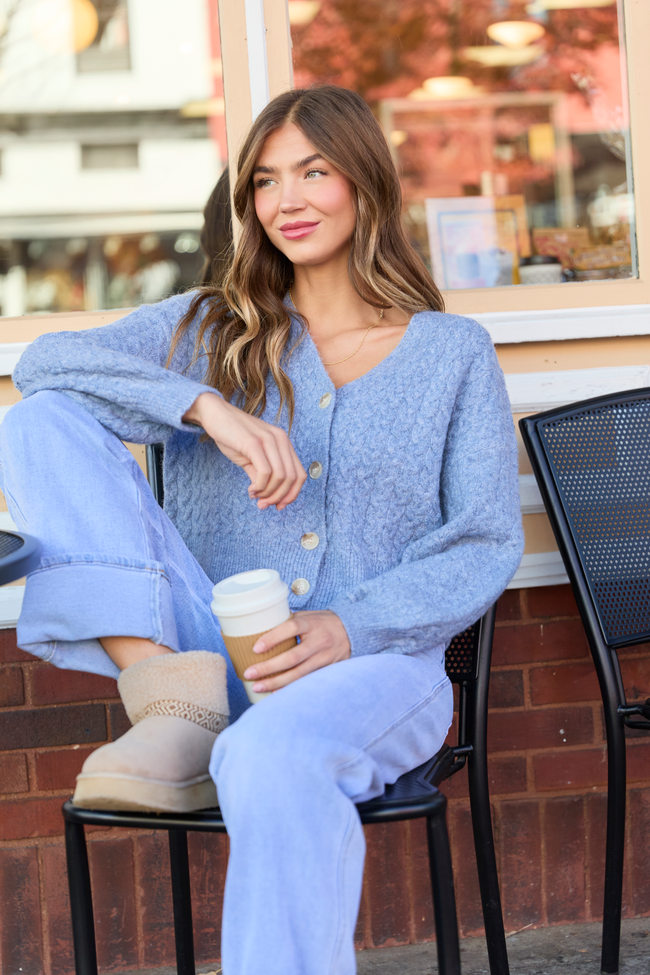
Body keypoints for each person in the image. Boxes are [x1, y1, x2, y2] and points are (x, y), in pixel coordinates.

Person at [0, 85, 523, 975]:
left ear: (363, 183)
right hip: (214, 649)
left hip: (376, 668)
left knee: (271, 752)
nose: (287, 201)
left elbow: (483, 539)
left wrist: (348, 625)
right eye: (266, 181)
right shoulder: (210, 329)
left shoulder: (451, 352)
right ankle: (172, 696)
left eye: (313, 172)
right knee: (36, 418)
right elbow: (43, 365)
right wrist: (205, 406)